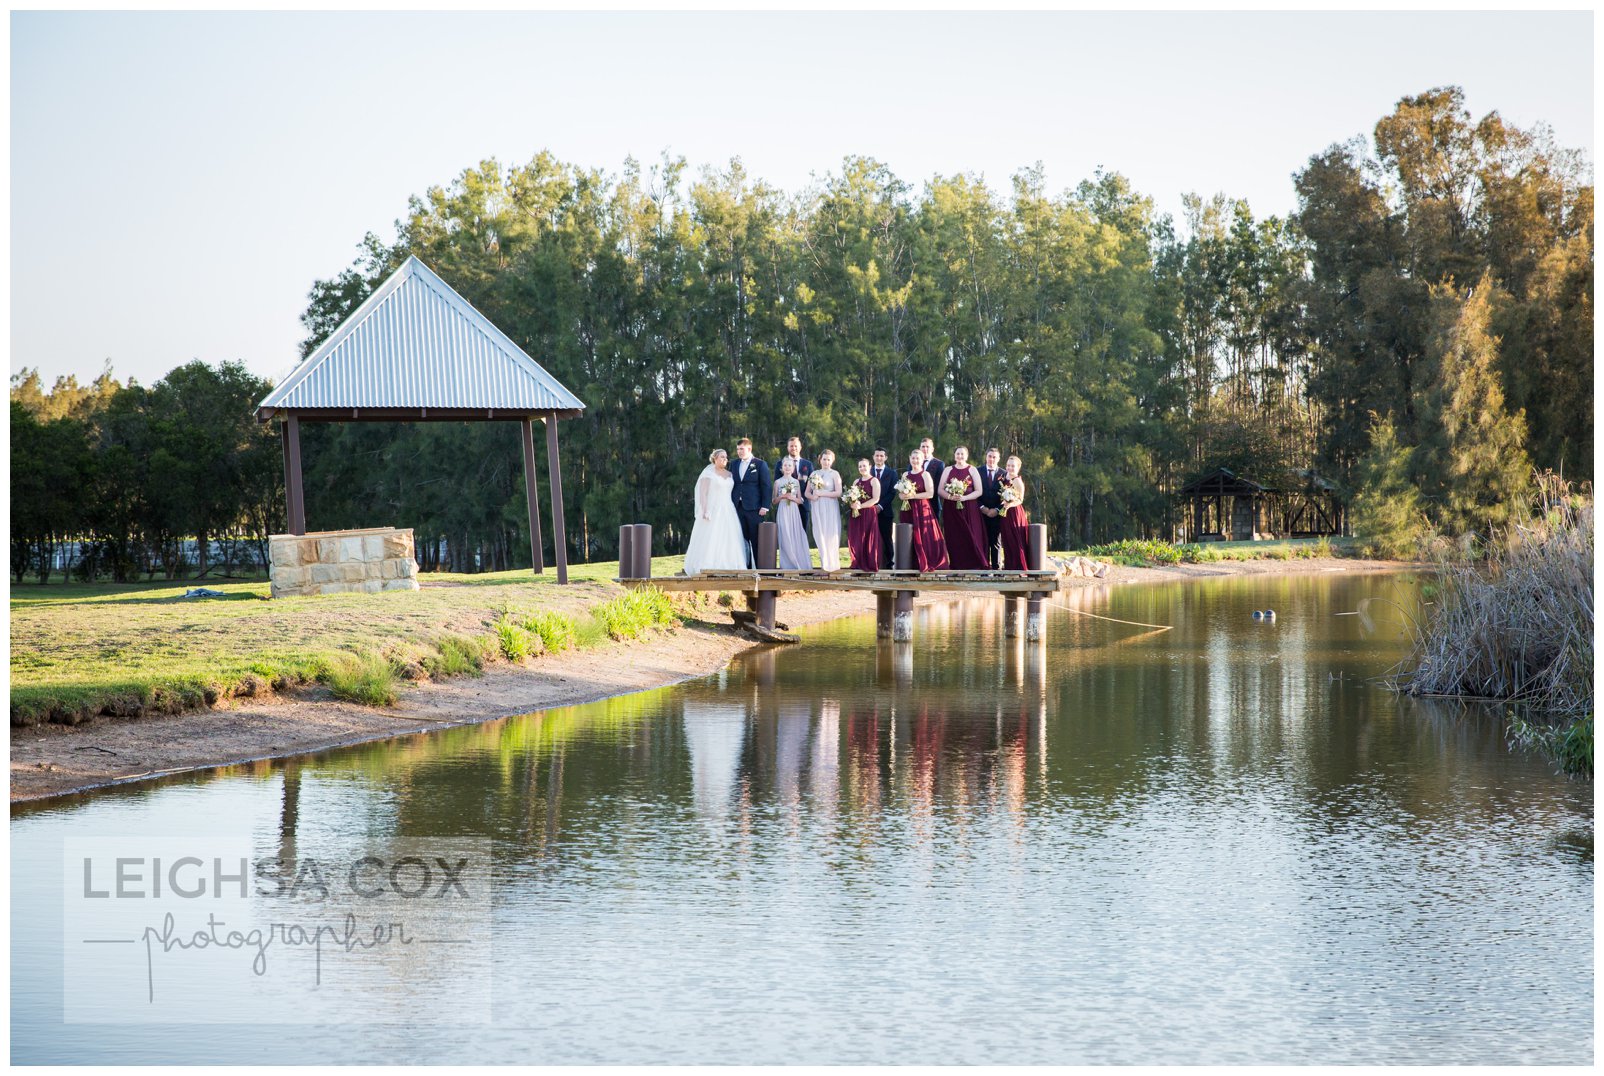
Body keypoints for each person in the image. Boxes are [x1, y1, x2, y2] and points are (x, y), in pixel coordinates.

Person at [683, 449, 747, 574]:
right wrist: (705, 510)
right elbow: (703, 493)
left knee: (729, 536)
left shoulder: (730, 474)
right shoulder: (708, 473)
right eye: (722, 457)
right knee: (712, 536)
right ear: (715, 458)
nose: (725, 459)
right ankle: (708, 565)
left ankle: (730, 565)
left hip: (728, 509)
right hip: (713, 508)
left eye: (726, 457)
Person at [938, 445, 988, 570]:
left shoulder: (972, 470)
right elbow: (940, 489)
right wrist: (950, 497)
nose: (959, 456)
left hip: (969, 507)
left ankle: (975, 565)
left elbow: (979, 491)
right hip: (951, 508)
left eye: (962, 454)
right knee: (954, 536)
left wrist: (964, 498)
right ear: (954, 455)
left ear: (967, 455)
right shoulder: (948, 470)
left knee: (972, 534)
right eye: (957, 454)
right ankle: (957, 565)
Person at [899, 448, 949, 571]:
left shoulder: (925, 474)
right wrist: (903, 495)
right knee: (908, 535)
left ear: (922, 460)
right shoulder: (906, 474)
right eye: (913, 458)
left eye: (917, 458)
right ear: (910, 459)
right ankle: (910, 563)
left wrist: (913, 495)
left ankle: (927, 560)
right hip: (908, 508)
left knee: (924, 535)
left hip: (922, 508)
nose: (915, 460)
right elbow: (900, 494)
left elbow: (930, 493)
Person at [729, 438, 771, 567]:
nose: (739, 452)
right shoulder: (734, 464)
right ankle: (745, 567)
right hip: (738, 507)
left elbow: (766, 486)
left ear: (749, 449)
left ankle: (759, 569)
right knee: (742, 539)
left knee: (756, 539)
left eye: (741, 449)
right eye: (737, 449)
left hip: (755, 508)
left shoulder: (759, 464)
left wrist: (765, 506)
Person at [805, 448, 843, 571]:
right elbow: (807, 493)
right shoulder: (814, 474)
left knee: (830, 533)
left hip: (830, 506)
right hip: (817, 506)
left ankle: (832, 565)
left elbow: (838, 493)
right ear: (820, 459)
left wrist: (822, 493)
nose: (826, 462)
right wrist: (813, 496)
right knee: (819, 533)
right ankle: (823, 564)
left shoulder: (835, 474)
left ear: (832, 461)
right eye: (824, 459)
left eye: (829, 459)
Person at [774, 436, 814, 544]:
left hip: (803, 505)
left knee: (802, 534)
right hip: (786, 506)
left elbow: (812, 485)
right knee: (786, 535)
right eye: (791, 446)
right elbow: (777, 484)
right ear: (787, 448)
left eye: (796, 446)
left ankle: (802, 559)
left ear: (800, 447)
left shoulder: (808, 464)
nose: (794, 448)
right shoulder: (780, 464)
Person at [773, 457, 811, 570]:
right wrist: (783, 496)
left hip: (794, 512)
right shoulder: (777, 482)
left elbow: (800, 500)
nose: (787, 467)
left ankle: (799, 563)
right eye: (785, 465)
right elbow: (774, 501)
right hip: (783, 510)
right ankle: (787, 565)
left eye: (790, 466)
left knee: (796, 536)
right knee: (784, 536)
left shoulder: (796, 482)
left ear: (793, 468)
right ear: (781, 468)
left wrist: (793, 498)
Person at [846, 458, 883, 571]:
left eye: (864, 466)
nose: (862, 468)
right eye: (860, 466)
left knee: (867, 537)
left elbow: (876, 499)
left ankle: (869, 563)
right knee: (856, 538)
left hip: (868, 513)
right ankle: (857, 562)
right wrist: (852, 504)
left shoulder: (874, 481)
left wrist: (861, 506)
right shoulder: (856, 482)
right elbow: (852, 497)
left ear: (870, 466)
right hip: (857, 514)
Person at [999, 454, 1031, 571]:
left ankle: (1019, 568)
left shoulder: (1017, 481)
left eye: (1013, 466)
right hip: (1005, 514)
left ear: (1018, 467)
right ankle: (1009, 567)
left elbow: (1020, 499)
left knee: (1016, 539)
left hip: (1015, 513)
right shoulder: (1003, 477)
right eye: (1008, 465)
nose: (1010, 468)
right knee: (1007, 540)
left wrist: (1009, 504)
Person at [868, 448, 897, 568]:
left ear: (885, 458)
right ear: (873, 457)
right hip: (868, 510)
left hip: (885, 511)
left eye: (881, 456)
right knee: (869, 537)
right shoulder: (867, 471)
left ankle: (888, 564)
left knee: (886, 538)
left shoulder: (892, 473)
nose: (879, 458)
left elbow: (892, 492)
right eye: (877, 455)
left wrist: (880, 506)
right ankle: (870, 562)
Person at [977, 447, 1004, 570]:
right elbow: (972, 491)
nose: (991, 459)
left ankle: (996, 568)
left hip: (997, 513)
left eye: (994, 457)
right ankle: (984, 568)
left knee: (996, 542)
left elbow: (1008, 494)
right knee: (982, 541)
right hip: (980, 513)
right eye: (989, 456)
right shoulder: (977, 471)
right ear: (986, 457)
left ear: (998, 459)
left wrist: (997, 509)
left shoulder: (1003, 474)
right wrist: (982, 507)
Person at [919, 437, 945, 521]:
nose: (925, 449)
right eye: (923, 446)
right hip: (916, 502)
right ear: (920, 448)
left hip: (933, 503)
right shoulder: (913, 464)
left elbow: (938, 485)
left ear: (932, 449)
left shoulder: (939, 464)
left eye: (927, 447)